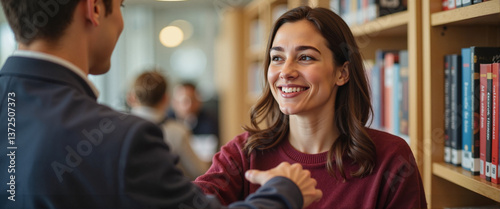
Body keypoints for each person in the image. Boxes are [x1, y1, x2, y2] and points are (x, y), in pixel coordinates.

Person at [0, 1, 323, 208]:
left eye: (306, 56)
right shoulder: (121, 140)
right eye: (122, 5)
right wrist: (284, 192)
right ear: (94, 9)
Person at [194, 6, 427, 209]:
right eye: (277, 58)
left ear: (342, 73)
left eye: (305, 57)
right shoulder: (243, 154)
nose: (286, 71)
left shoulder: (391, 158)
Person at [127, 70, 209, 180]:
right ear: (166, 99)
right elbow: (200, 172)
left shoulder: (119, 129)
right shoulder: (178, 132)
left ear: (131, 98)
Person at [169, 82, 219, 162]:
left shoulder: (209, 122)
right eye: (184, 101)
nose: (189, 105)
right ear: (175, 103)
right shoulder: (167, 122)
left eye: (192, 100)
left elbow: (207, 157)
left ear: (199, 102)